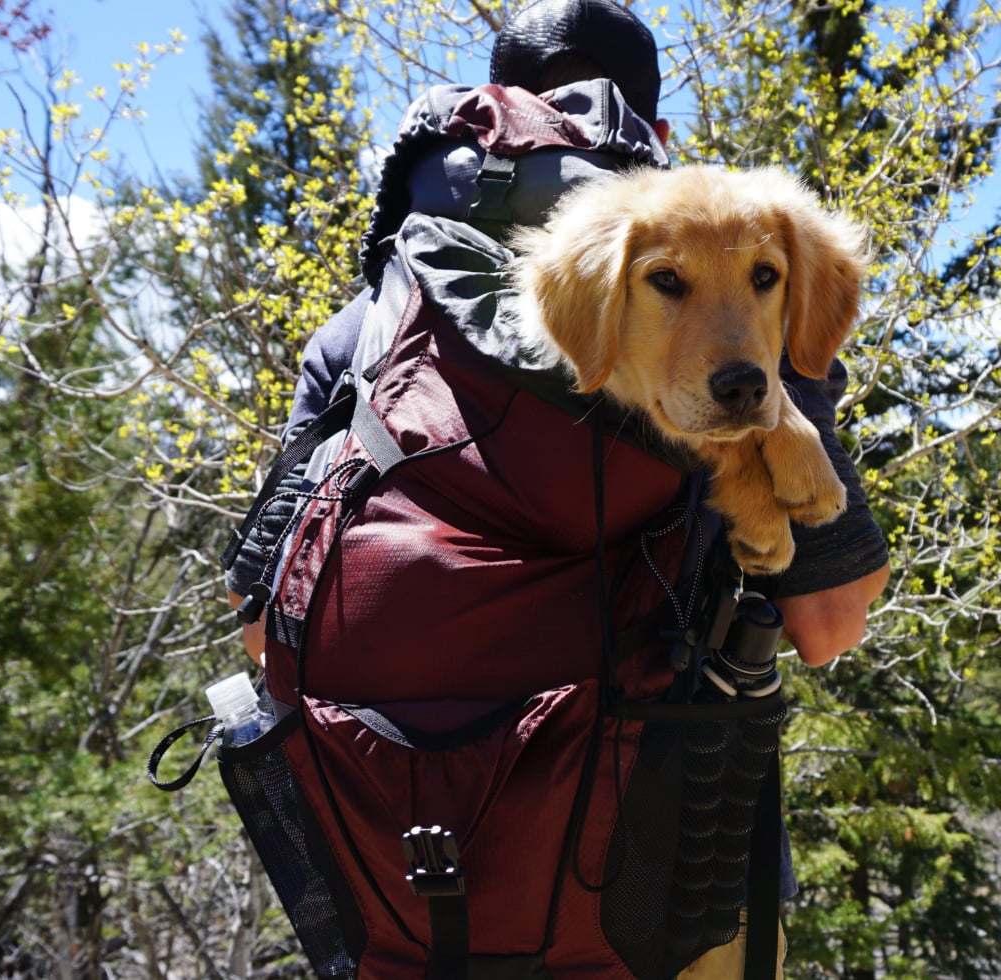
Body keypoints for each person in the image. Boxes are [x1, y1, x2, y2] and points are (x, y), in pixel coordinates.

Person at [222, 0, 889, 973]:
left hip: (408, 902)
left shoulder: (365, 329)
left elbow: (259, 620)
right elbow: (830, 623)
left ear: (496, 113)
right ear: (654, 140)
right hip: (666, 894)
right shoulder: (738, 316)